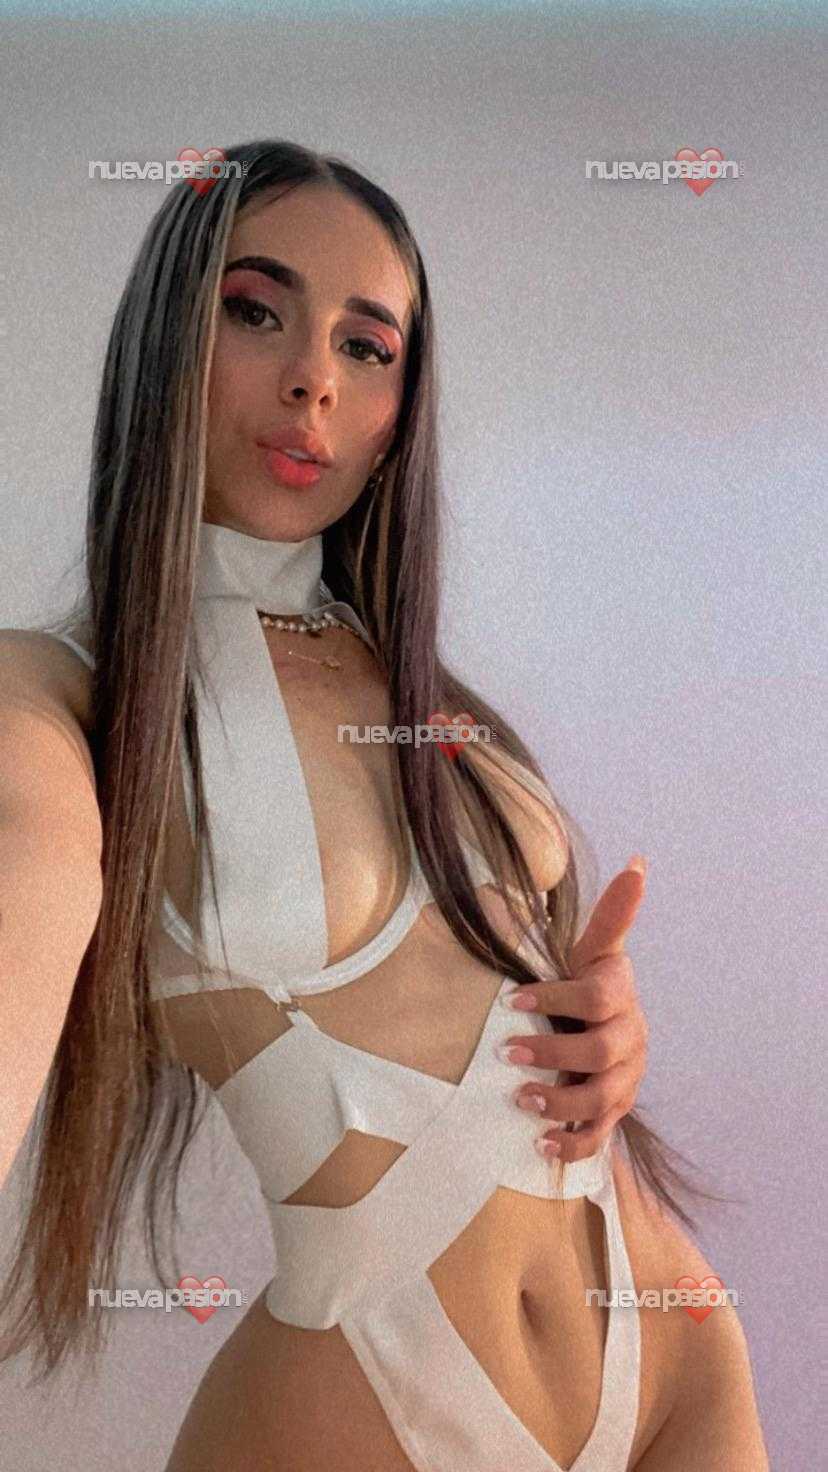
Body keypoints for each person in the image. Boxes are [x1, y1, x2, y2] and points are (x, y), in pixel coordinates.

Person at [0, 140, 767, 1470]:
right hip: (367, 1404)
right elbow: (33, 862)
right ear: (167, 340)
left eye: (368, 348)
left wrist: (609, 1031)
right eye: (257, 312)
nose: (315, 379)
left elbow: (496, 984)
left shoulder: (429, 701)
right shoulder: (64, 695)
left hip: (678, 1369)